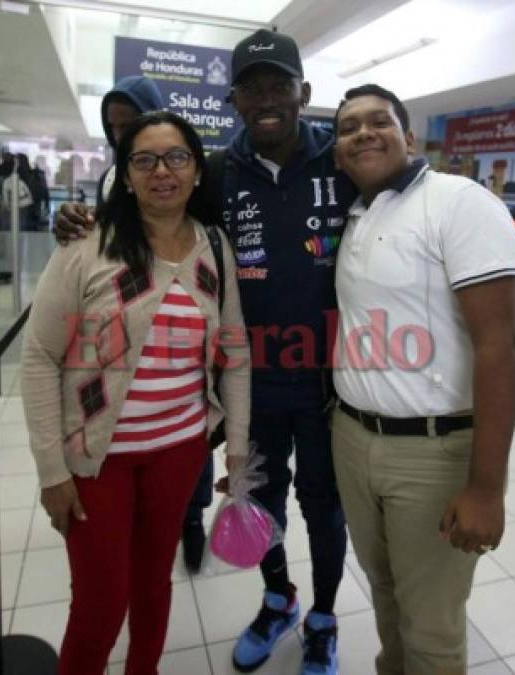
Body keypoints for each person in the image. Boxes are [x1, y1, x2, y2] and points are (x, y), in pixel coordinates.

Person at [56, 29, 356, 675]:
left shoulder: (340, 163)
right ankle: (278, 599)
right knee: (258, 503)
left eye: (280, 86)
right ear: (234, 100)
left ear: (303, 93)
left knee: (325, 507)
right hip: (251, 383)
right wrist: (78, 221)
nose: (267, 99)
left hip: (333, 385)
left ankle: (323, 617)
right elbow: (147, 217)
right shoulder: (216, 171)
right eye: (253, 89)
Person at [21, 111, 250, 675]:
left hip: (179, 452)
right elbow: (40, 356)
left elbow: (235, 353)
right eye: (143, 160)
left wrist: (237, 450)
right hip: (99, 464)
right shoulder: (87, 246)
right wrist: (52, 471)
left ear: (197, 169)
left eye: (177, 157)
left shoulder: (214, 247)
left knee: (153, 587)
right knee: (100, 605)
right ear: (124, 175)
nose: (161, 171)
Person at [331, 84, 515, 675]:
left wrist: (486, 490)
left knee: (432, 626)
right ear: (336, 150)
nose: (363, 132)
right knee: (385, 595)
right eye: (348, 126)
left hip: (433, 454)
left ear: (408, 136)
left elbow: (500, 348)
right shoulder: (359, 212)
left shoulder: (458, 201)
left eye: (378, 121)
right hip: (354, 438)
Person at [97, 75, 164, 205]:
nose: (117, 137)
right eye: (111, 127)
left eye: (126, 126)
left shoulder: (176, 176)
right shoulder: (109, 181)